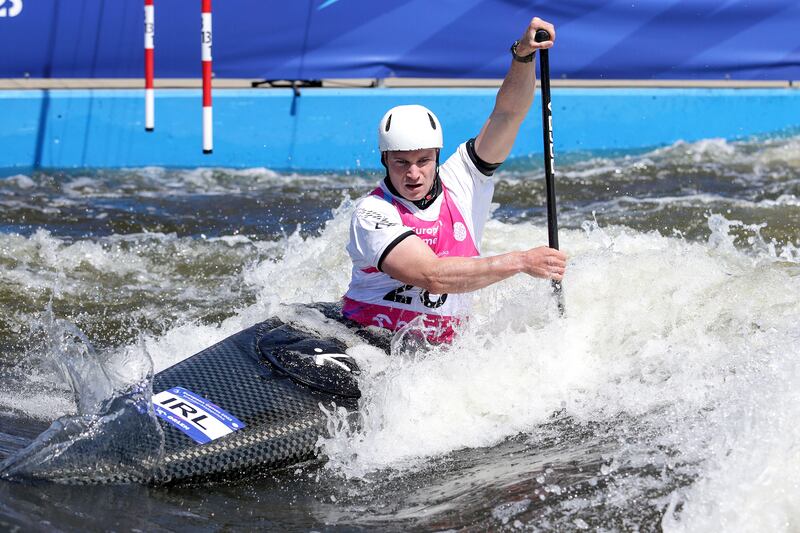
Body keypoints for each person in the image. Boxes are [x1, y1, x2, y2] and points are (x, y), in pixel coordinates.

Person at [342, 17, 567, 342]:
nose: (413, 173)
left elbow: (508, 114)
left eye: (424, 161)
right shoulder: (372, 214)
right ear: (384, 160)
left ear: (437, 157)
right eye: (401, 163)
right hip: (368, 341)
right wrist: (520, 261)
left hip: (446, 351)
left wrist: (523, 55)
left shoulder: (463, 178)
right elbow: (432, 276)